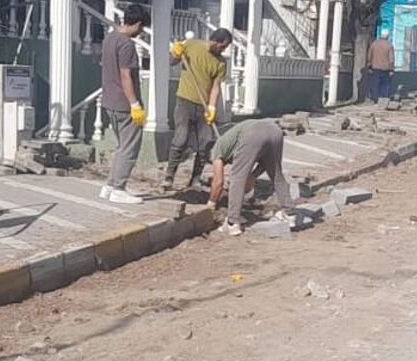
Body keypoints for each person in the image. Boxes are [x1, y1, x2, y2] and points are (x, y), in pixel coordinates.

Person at [163, 28, 232, 191]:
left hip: (204, 107)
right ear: (215, 41)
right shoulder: (192, 45)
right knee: (181, 139)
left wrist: (212, 107)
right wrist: (175, 53)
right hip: (184, 101)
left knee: (205, 143)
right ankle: (169, 177)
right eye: (222, 46)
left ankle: (195, 179)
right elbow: (172, 62)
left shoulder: (221, 62)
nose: (223, 50)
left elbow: (216, 87)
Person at [207, 119, 295, 236]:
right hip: (275, 131)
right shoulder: (228, 144)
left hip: (253, 133)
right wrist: (253, 176)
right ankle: (289, 213)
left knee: (237, 178)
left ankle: (232, 223)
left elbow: (218, 182)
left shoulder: (216, 150)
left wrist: (211, 204)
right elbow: (265, 164)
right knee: (276, 174)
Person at [99, 3, 150, 204]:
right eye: (142, 27)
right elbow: (126, 76)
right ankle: (119, 189)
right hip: (124, 104)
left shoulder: (110, 38)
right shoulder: (127, 44)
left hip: (110, 102)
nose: (141, 32)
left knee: (122, 147)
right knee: (129, 149)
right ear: (137, 23)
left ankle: (110, 186)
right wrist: (135, 104)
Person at [368, 29, 395, 102]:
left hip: (375, 67)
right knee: (385, 84)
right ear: (388, 36)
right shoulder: (389, 45)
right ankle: (384, 99)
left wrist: (369, 65)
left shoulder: (374, 44)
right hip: (385, 68)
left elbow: (370, 55)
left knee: (375, 84)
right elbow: (391, 59)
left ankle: (375, 99)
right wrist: (391, 69)